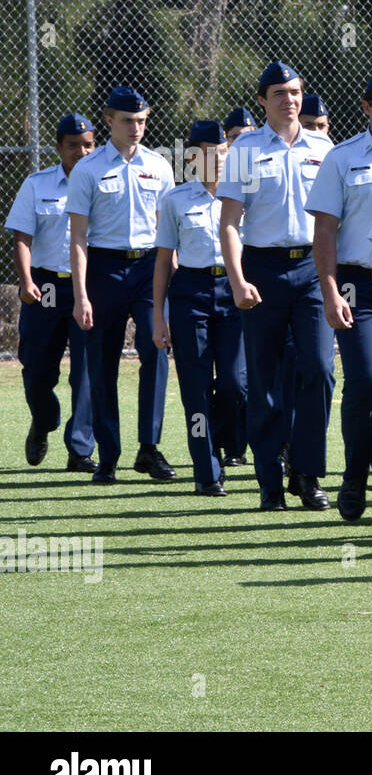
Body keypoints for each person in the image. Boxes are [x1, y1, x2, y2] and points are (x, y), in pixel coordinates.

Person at [217, 61, 335, 512]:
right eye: (280, 93)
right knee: (263, 380)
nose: (290, 100)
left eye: (296, 92)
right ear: (263, 100)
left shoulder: (324, 148)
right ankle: (269, 479)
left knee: (320, 370)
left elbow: (333, 221)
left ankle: (304, 472)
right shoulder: (246, 151)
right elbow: (229, 223)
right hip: (262, 271)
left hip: (311, 268)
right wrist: (238, 280)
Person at [307, 67, 372, 526]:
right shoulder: (341, 158)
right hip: (358, 283)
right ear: (366, 107)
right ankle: (354, 472)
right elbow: (325, 230)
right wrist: (330, 291)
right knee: (371, 383)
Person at [66, 86, 176, 484]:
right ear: (109, 121)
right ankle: (108, 454)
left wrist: (172, 283)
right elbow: (78, 237)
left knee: (156, 351)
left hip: (150, 269)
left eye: (143, 121)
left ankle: (148, 447)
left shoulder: (160, 166)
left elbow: (168, 231)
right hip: (104, 269)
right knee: (102, 363)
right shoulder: (88, 169)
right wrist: (81, 295)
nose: (136, 128)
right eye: (128, 121)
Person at [152, 121, 247, 496]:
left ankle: (223, 441)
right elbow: (163, 261)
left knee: (234, 385)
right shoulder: (176, 200)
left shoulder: (242, 198)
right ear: (192, 157)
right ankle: (205, 468)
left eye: (222, 152)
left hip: (233, 289)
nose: (216, 159)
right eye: (206, 152)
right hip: (191, 291)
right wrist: (158, 316)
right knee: (194, 387)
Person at [6, 113, 97, 472]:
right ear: (59, 147)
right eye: (73, 145)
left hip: (87, 288)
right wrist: (26, 281)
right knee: (37, 368)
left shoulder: (106, 186)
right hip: (44, 286)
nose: (81, 151)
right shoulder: (36, 184)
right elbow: (21, 236)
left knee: (86, 371)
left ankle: (80, 450)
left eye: (88, 144)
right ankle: (43, 421)